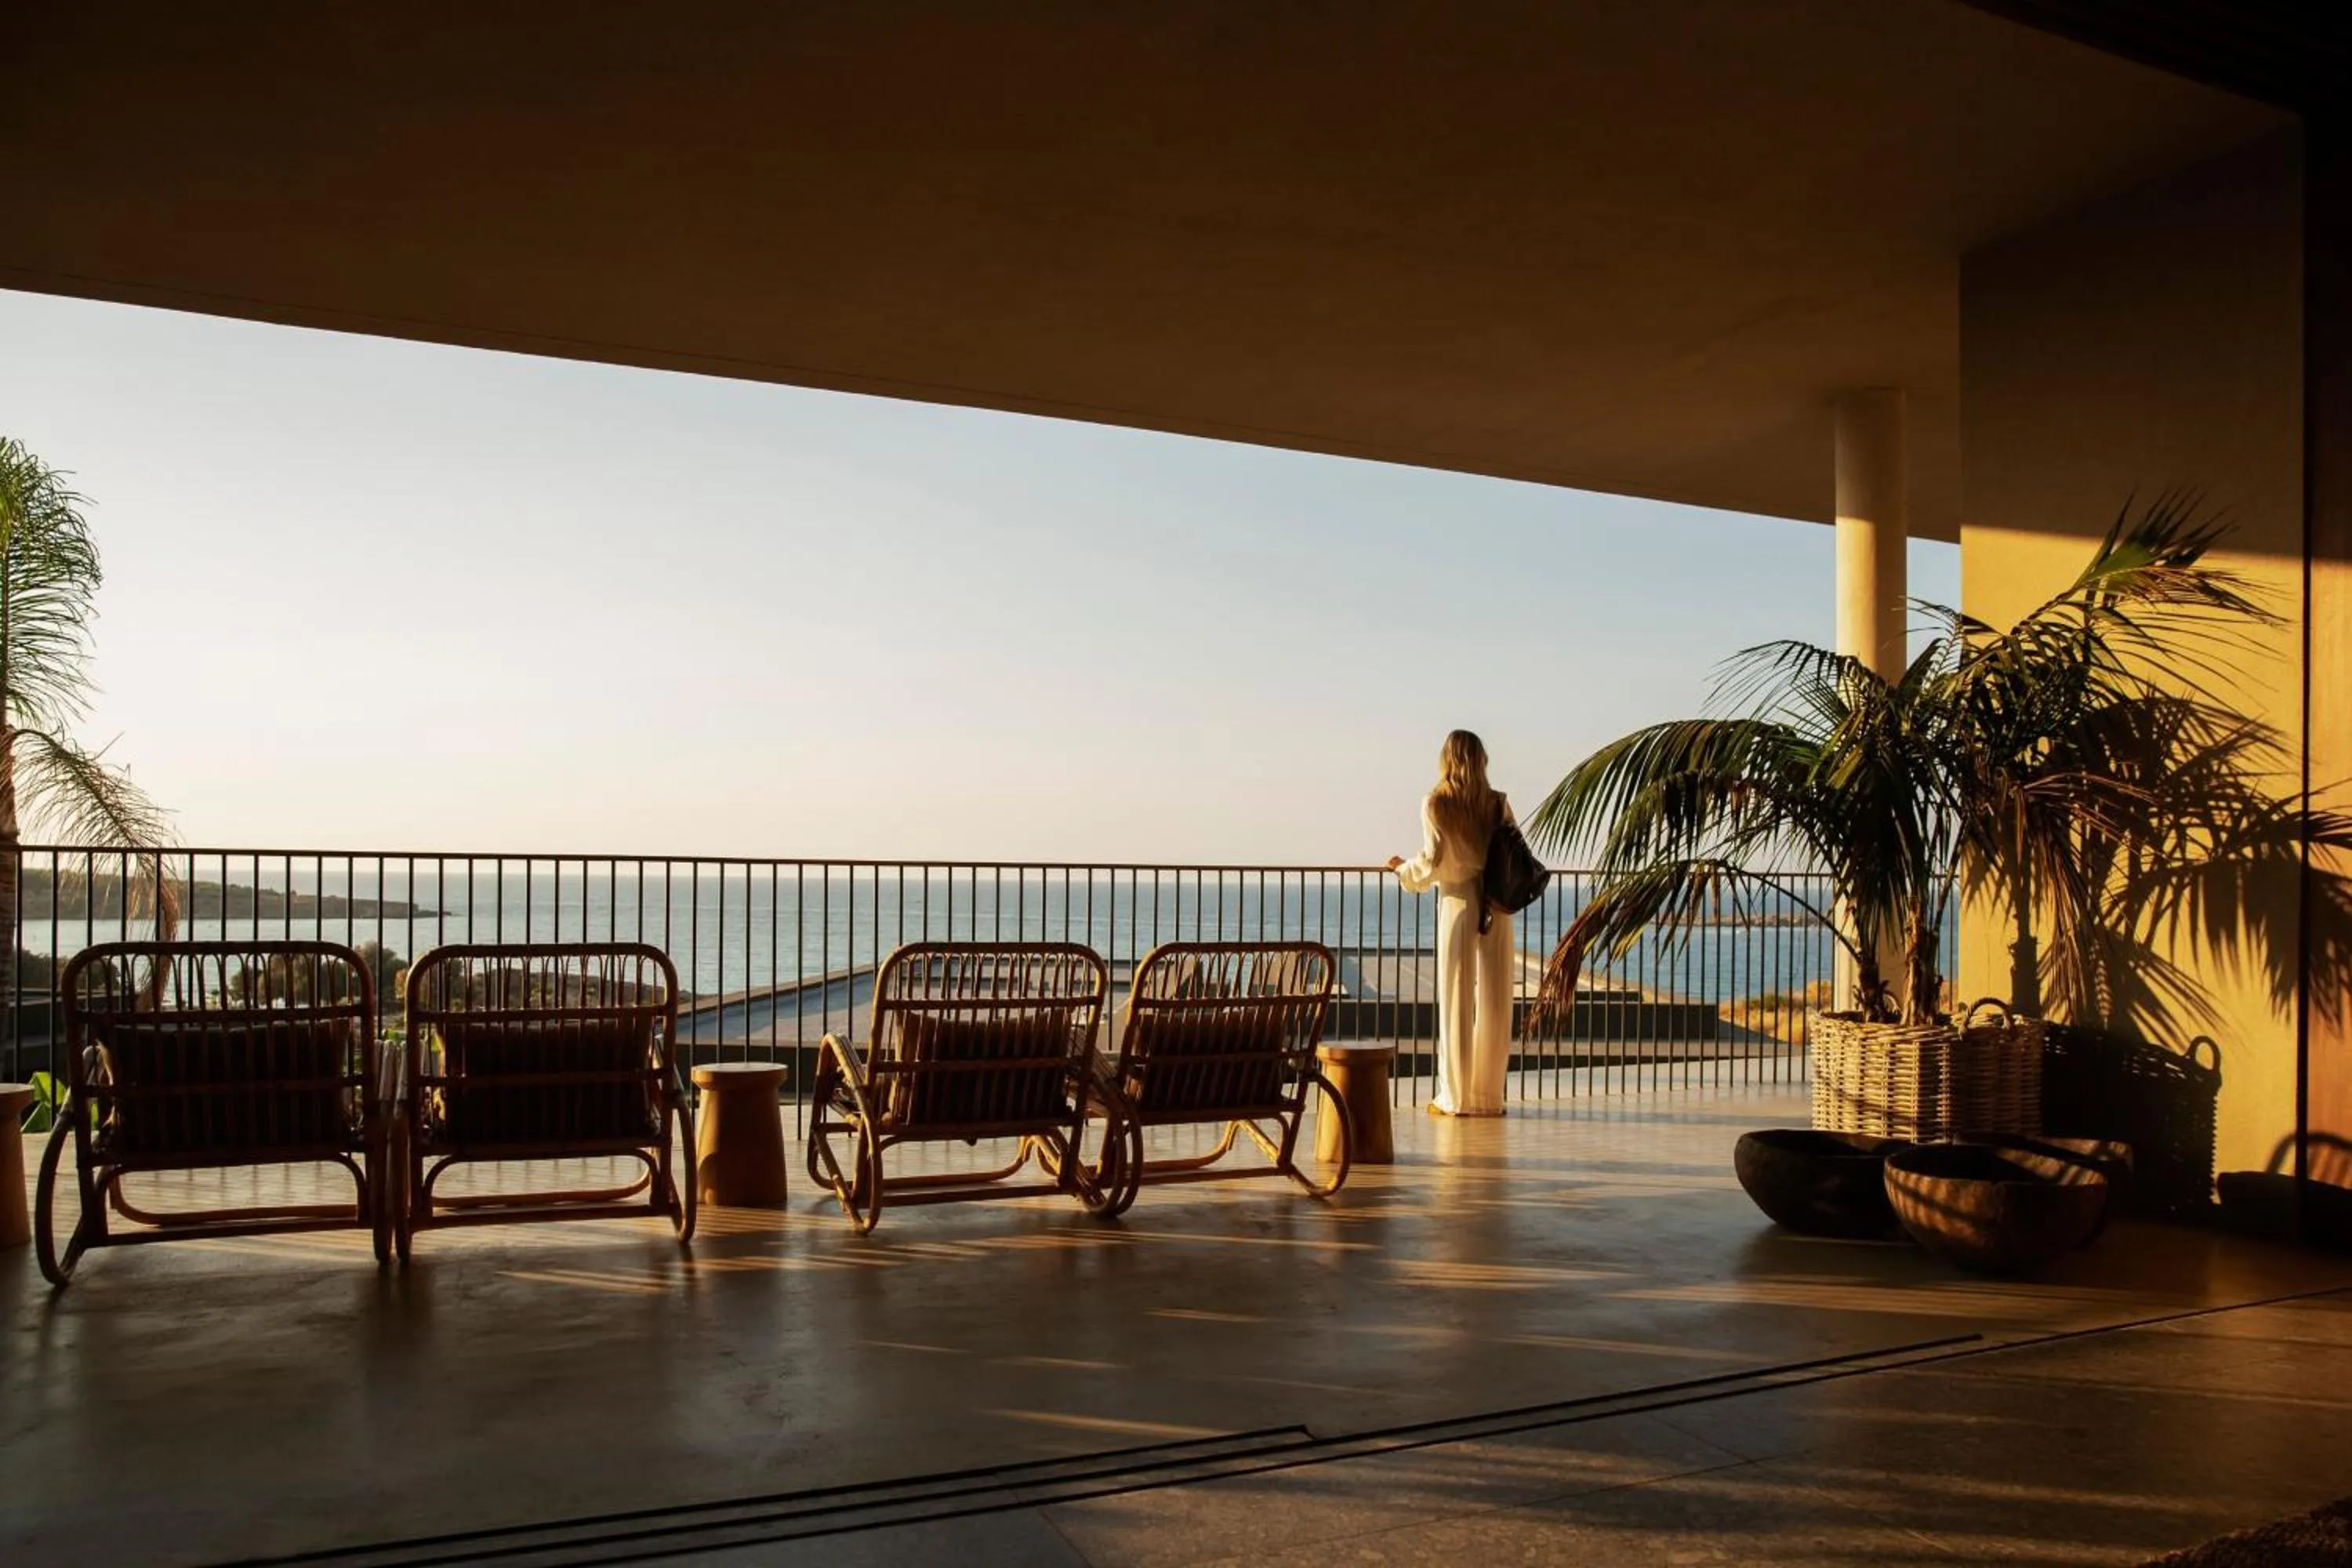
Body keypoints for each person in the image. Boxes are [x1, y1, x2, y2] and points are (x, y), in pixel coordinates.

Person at [1385, 730, 1514, 1116]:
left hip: (1458, 901)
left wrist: (1402, 870)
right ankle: (1489, 1098)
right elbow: (1511, 852)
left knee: (1456, 1000)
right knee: (1495, 1000)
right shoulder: (1497, 803)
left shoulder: (1436, 803)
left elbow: (1432, 861)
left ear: (1446, 759)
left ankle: (1455, 1098)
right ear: (1481, 759)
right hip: (1496, 903)